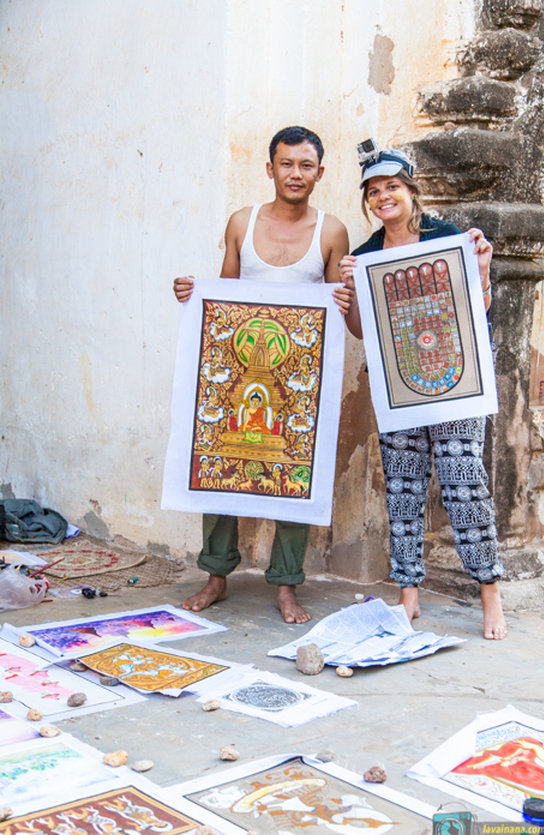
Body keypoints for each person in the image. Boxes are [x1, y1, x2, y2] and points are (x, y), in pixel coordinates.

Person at [173, 125, 350, 624]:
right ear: (270, 168)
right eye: (287, 164)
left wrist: (343, 300)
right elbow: (223, 300)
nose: (296, 173)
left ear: (320, 173)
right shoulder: (241, 223)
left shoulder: (331, 231)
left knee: (295, 472)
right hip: (237, 376)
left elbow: (344, 316)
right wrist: (193, 294)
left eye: (306, 165)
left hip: (298, 379)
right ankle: (215, 576)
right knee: (220, 464)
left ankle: (287, 585)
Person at [336, 145, 507, 640]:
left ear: (412, 191)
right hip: (400, 384)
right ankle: (408, 595)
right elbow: (362, 330)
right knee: (404, 487)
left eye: (392, 187)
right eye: (374, 191)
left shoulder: (447, 238)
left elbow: (479, 306)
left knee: (463, 481)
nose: (383, 196)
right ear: (369, 202)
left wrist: (483, 271)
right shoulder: (367, 255)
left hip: (456, 381)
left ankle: (490, 594)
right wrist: (350, 295)